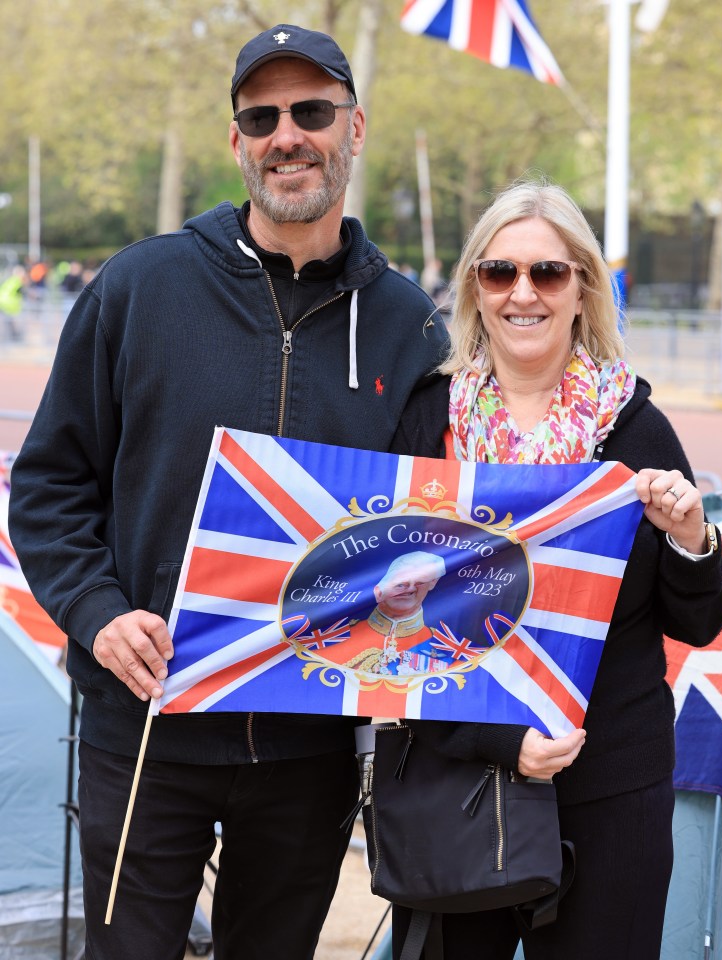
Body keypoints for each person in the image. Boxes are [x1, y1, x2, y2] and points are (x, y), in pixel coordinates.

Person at [9, 24, 449, 960]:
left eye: (312, 112)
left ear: (355, 128)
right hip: (147, 728)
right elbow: (48, 485)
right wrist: (96, 611)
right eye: (263, 116)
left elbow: (437, 527)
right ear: (237, 141)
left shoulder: (410, 324)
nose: (287, 134)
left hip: (309, 743)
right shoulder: (138, 287)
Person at [391, 179, 722, 960]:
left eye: (547, 273)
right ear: (475, 289)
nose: (523, 293)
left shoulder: (636, 429)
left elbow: (700, 618)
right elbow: (386, 621)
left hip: (612, 784)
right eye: (499, 272)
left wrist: (690, 540)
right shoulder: (424, 424)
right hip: (459, 777)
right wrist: (493, 739)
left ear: (583, 288)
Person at [322, 550, 447, 674]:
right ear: (378, 592)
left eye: (419, 581)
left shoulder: (448, 649)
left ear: (432, 583)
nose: (410, 588)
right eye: (400, 582)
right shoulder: (330, 639)